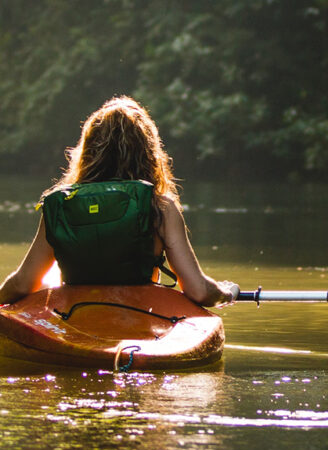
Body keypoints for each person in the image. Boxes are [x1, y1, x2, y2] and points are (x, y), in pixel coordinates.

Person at [0, 96, 239, 306]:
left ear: (88, 151)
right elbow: (198, 291)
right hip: (140, 316)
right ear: (148, 153)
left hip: (74, 317)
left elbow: (23, 284)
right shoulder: (161, 208)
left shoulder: (61, 206)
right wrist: (225, 293)